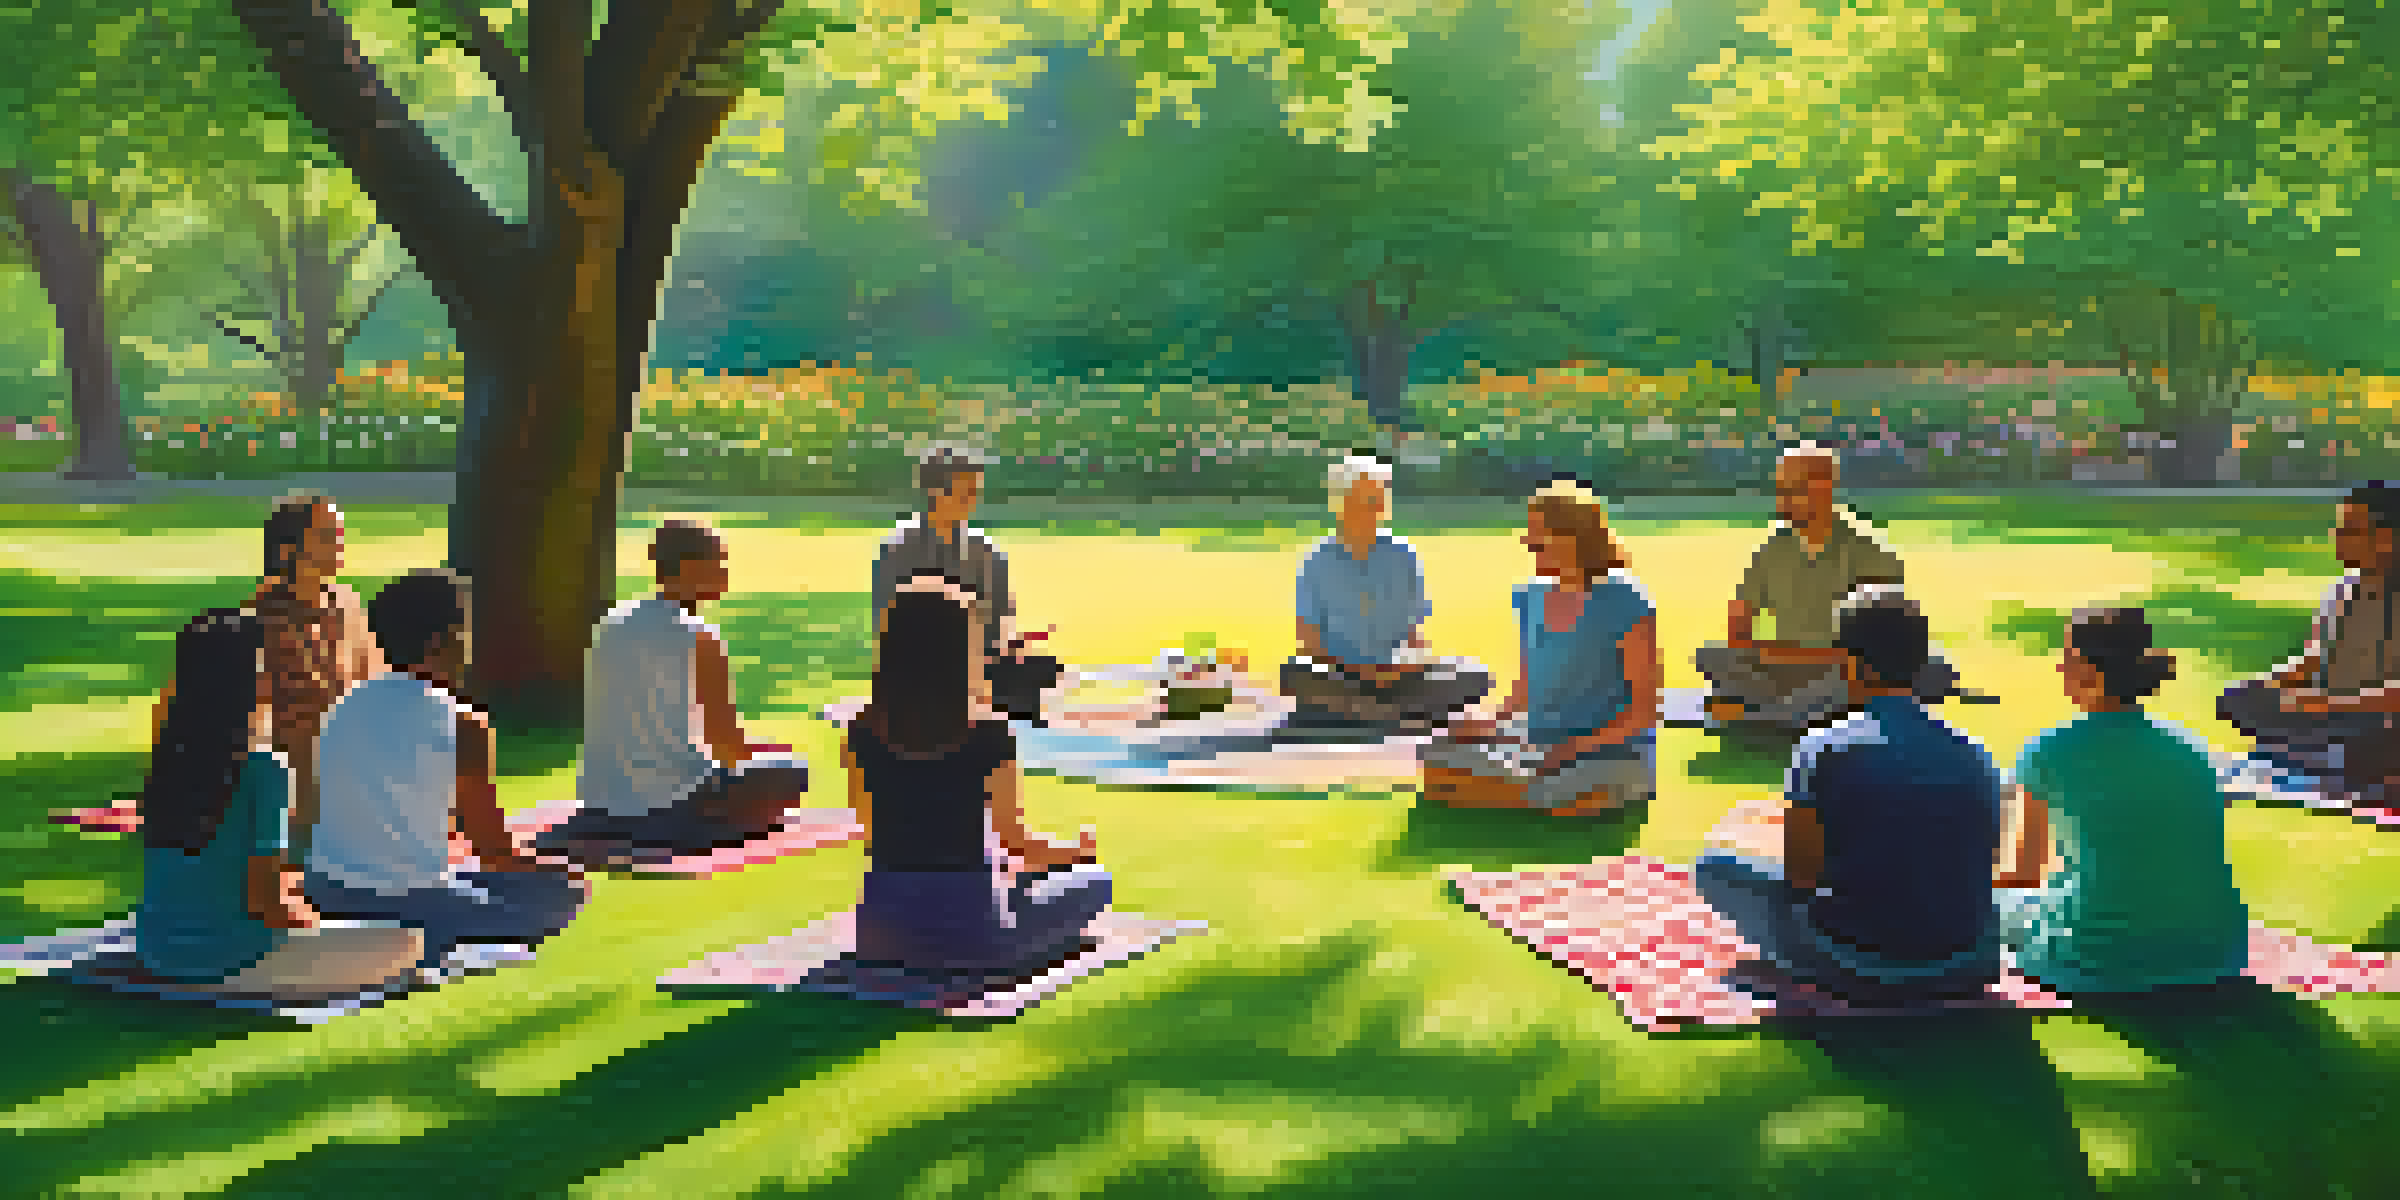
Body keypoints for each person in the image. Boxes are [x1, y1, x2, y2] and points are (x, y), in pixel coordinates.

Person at [1693, 585, 2005, 1004]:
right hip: (1967, 961)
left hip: (1857, 962)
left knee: (1714, 868)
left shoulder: (1822, 746)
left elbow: (1802, 877)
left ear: (1846, 662)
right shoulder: (1976, 753)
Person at [305, 569, 586, 968]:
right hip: (409, 903)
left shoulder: (341, 707)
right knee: (556, 898)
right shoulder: (463, 724)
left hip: (323, 892)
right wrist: (555, 871)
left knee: (475, 881)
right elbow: (492, 850)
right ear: (444, 641)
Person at [133, 608, 422, 996]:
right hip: (231, 961)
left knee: (327, 920)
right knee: (406, 943)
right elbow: (266, 900)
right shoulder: (264, 766)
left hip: (155, 952)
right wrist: (312, 924)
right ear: (253, 680)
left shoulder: (168, 759)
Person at [842, 572, 1112, 973]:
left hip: (880, 933)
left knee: (1009, 883)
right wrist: (1076, 852)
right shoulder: (988, 730)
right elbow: (1017, 843)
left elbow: (870, 829)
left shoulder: (862, 728)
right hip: (974, 936)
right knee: (1094, 882)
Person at [1998, 608, 2250, 994]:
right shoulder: (2194, 752)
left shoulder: (2045, 752)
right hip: (2215, 952)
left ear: (2088, 671)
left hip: (2099, 956)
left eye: (2066, 655)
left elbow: (2023, 873)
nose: (2059, 667)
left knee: (1996, 905)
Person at [530, 521, 810, 867]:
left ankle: (624, 829)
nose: (725, 575)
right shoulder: (698, 635)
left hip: (601, 801)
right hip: (673, 803)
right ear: (691, 567)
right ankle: (702, 828)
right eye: (719, 563)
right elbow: (726, 745)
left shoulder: (612, 622)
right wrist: (768, 753)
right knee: (794, 769)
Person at [124, 492, 383, 840]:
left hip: (353, 797)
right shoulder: (256, 623)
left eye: (338, 535)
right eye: (325, 536)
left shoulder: (351, 608)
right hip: (289, 802)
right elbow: (181, 708)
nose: (338, 546)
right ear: (288, 551)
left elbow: (377, 686)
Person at [1419, 480, 1662, 813]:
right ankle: (1555, 796)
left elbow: (1645, 713)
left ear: (1573, 538)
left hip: (1605, 748)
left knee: (1485, 788)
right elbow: (1525, 688)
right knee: (1437, 757)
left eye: (1538, 533)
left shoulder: (1624, 599)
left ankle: (1561, 793)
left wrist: (1572, 748)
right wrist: (1488, 722)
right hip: (1538, 741)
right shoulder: (1531, 597)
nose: (1528, 542)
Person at [1695, 446, 1957, 732]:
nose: (1782, 500)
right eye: (1780, 488)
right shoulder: (1771, 550)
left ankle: (1768, 713)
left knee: (1933, 666)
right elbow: (1738, 632)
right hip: (1783, 671)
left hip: (1844, 674)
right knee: (1711, 656)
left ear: (1824, 488)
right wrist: (1778, 657)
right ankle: (1793, 712)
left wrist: (1805, 656)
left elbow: (1884, 645)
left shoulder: (1870, 552)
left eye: (1791, 489)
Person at [2217, 481, 2400, 805]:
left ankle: (2329, 758)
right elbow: (2316, 658)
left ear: (2386, 539)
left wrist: (2330, 705)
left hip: (2378, 721)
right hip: (2335, 719)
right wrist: (2272, 684)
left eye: (2351, 530)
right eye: (2339, 527)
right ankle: (2327, 757)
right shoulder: (2339, 592)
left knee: (2373, 739)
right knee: (2236, 699)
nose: (2337, 538)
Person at [1281, 454, 1493, 730]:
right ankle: (1394, 713)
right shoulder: (1316, 562)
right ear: (1342, 504)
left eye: (1380, 500)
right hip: (1342, 675)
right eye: (1368, 501)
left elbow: (1415, 636)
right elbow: (1308, 643)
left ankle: (1364, 713)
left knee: (1473, 674)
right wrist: (1363, 672)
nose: (1378, 508)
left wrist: (1402, 667)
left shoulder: (1404, 555)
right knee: (1296, 672)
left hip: (1396, 678)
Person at [872, 445, 1065, 726]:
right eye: (965, 492)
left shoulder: (985, 551)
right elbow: (887, 625)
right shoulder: (898, 550)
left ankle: (1005, 744)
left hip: (978, 662)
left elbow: (1000, 619)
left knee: (1038, 671)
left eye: (974, 491)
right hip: (922, 662)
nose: (972, 499)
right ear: (935, 492)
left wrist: (1013, 644)